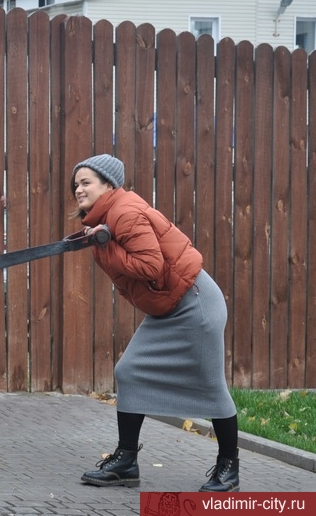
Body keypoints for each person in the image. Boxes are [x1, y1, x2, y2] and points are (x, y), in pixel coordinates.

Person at [71, 154, 239, 493]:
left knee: (211, 386)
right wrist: (99, 239)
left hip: (195, 304)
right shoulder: (107, 219)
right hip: (169, 307)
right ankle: (126, 461)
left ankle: (228, 469)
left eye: (86, 182)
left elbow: (151, 266)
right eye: (76, 184)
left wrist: (105, 247)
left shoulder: (125, 212)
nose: (78, 189)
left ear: (108, 184)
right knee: (129, 370)